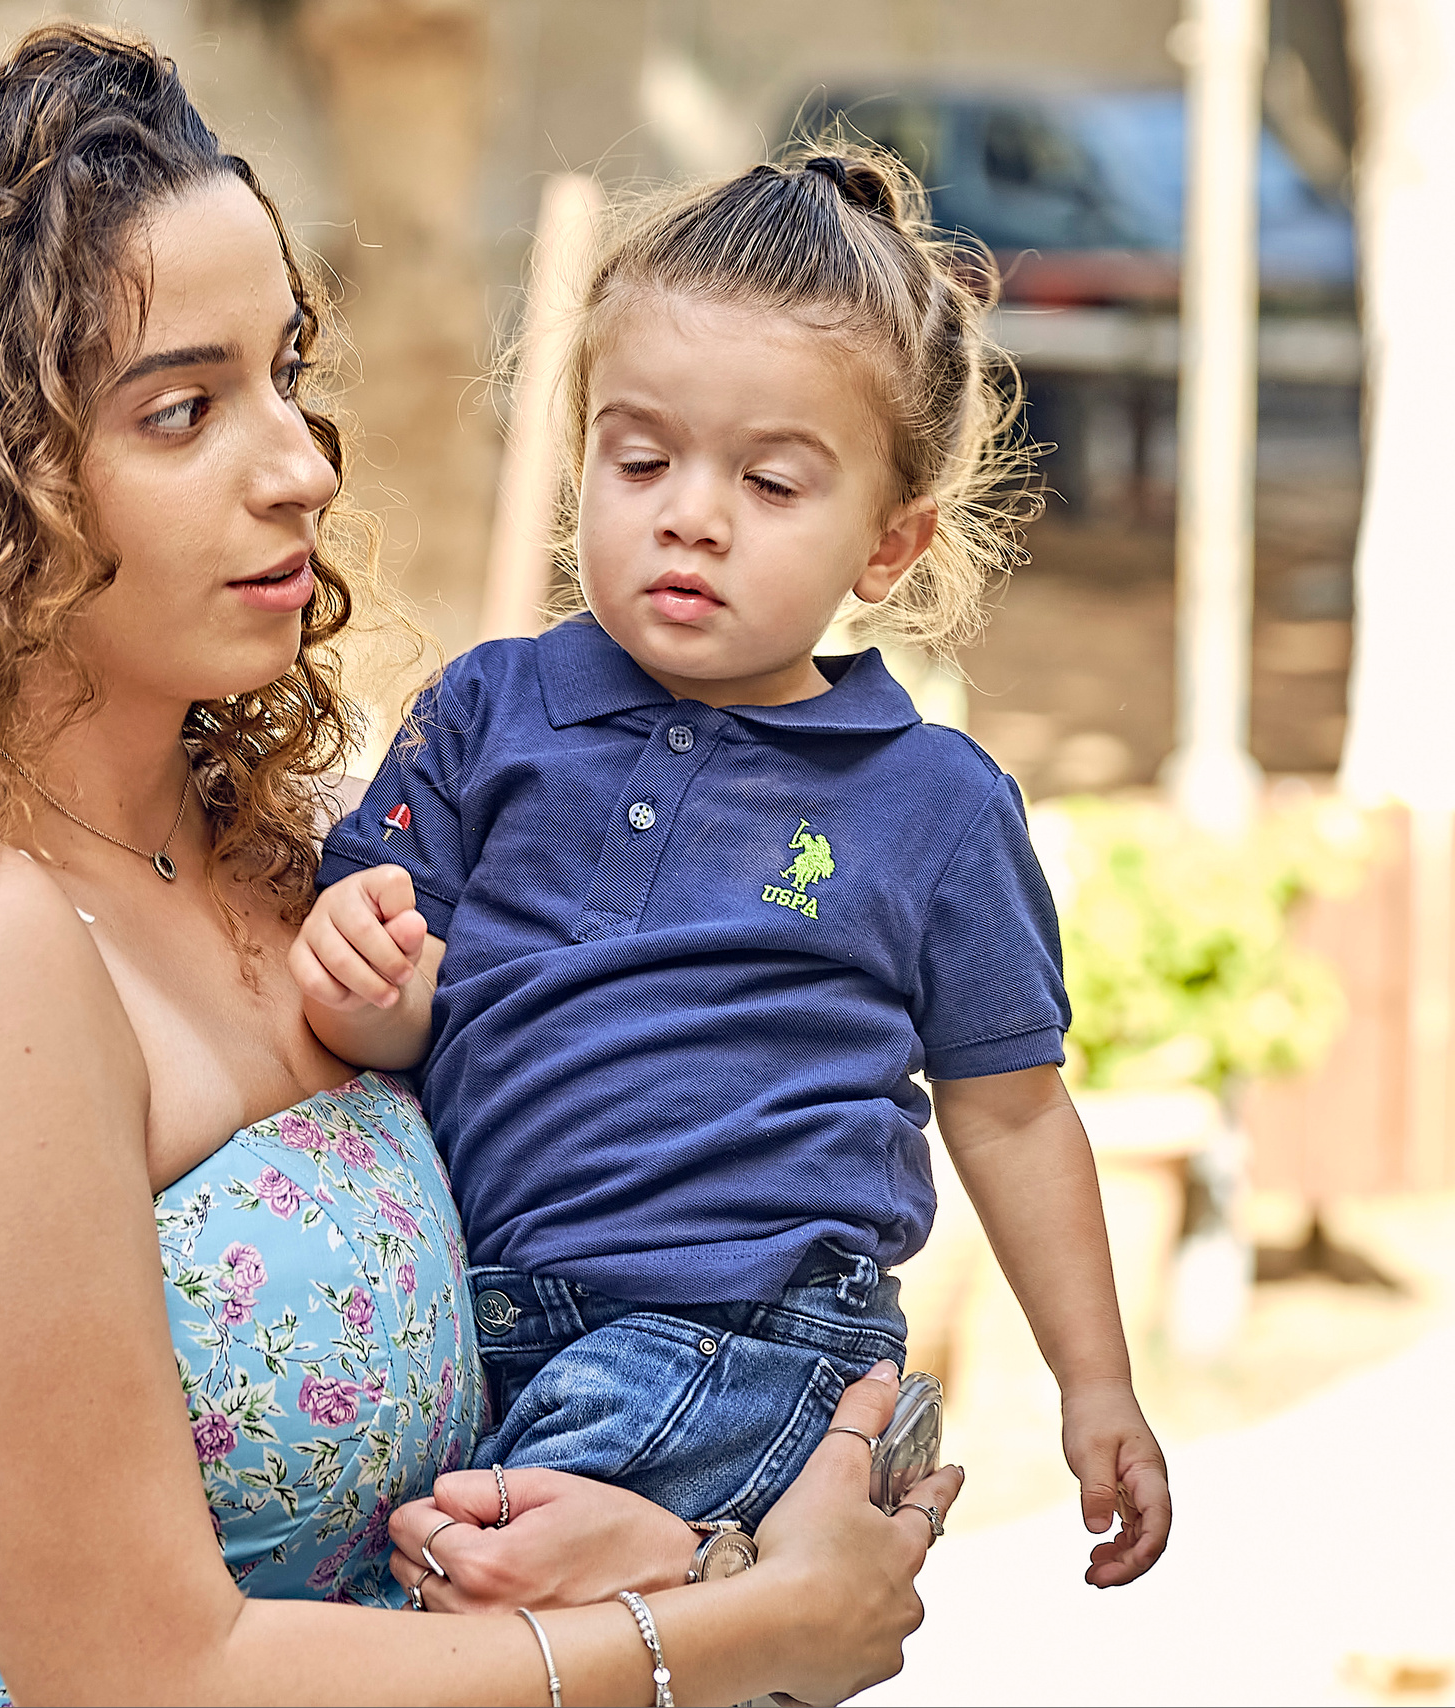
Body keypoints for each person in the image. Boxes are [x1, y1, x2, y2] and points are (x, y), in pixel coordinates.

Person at [0, 27, 962, 1706]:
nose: (301, 464)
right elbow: (140, 1677)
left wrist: (689, 1528)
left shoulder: (303, 873)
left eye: (288, 372)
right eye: (184, 410)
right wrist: (749, 1626)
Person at [294, 145, 1172, 1587]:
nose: (689, 513)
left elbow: (1012, 1115)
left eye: (770, 481)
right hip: (489, 1321)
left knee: (468, 1582)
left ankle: (704, 1568)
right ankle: (712, 1581)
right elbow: (391, 1018)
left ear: (889, 545)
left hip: (759, 1333)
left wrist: (1096, 1383)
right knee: (445, 1567)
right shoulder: (484, 714)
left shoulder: (933, 805)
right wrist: (370, 983)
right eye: (639, 458)